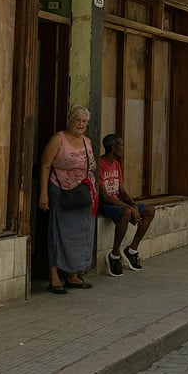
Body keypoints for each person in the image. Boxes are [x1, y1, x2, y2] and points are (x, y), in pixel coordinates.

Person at [38, 105, 97, 294]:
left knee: (81, 234)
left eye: (84, 122)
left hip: (83, 195)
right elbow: (45, 166)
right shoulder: (58, 139)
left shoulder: (87, 141)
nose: (80, 124)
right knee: (57, 232)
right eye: (77, 120)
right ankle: (55, 278)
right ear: (69, 120)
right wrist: (43, 193)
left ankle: (73, 275)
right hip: (61, 192)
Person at [97, 134, 156, 276]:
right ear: (113, 148)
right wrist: (129, 208)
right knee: (127, 212)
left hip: (119, 202)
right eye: (121, 145)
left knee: (149, 210)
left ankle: (131, 250)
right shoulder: (99, 164)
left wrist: (133, 204)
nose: (123, 148)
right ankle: (114, 255)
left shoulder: (116, 164)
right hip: (106, 204)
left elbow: (121, 191)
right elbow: (105, 196)